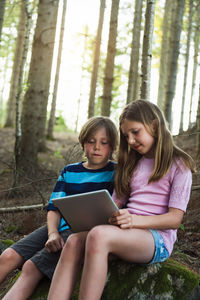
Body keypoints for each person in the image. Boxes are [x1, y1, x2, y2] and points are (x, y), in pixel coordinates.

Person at [47, 100, 195, 300]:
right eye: (126, 136)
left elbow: (174, 219)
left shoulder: (179, 164)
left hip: (156, 238)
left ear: (154, 125)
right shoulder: (132, 163)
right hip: (126, 231)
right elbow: (116, 203)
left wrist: (134, 220)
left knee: (99, 236)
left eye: (135, 132)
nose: (131, 140)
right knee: (73, 241)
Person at [0, 116, 118, 300]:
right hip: (58, 226)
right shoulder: (70, 171)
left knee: (31, 267)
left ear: (112, 147)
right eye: (91, 141)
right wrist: (52, 233)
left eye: (104, 143)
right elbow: (54, 208)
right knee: (7, 256)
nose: (96, 147)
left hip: (80, 234)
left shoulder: (115, 173)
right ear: (83, 142)